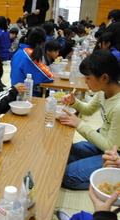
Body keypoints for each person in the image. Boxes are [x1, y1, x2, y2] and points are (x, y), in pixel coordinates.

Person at [59, 50, 120, 190]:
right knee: (65, 155)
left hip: (114, 153)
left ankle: (113, 176)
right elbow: (88, 110)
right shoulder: (105, 90)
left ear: (104, 77)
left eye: (87, 78)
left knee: (68, 177)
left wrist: (80, 124)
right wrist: (74, 102)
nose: (85, 82)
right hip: (104, 140)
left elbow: (110, 146)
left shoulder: (118, 107)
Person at [10, 27, 54, 97]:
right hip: (25, 95)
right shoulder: (29, 55)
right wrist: (52, 70)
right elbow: (48, 76)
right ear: (42, 43)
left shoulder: (20, 51)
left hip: (17, 92)